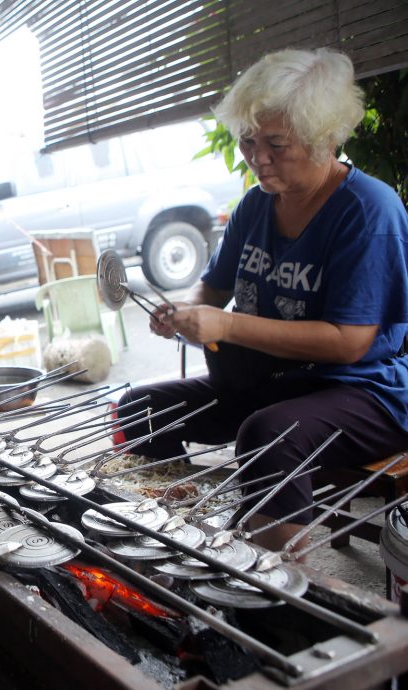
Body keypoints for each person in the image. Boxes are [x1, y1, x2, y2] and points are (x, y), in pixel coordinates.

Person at [116, 47, 408, 555]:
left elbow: (350, 343)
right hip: (270, 378)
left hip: (366, 391)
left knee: (269, 434)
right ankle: (174, 536)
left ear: (326, 139)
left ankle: (283, 589)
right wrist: (183, 311)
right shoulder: (256, 204)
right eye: (249, 141)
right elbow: (213, 289)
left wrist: (225, 328)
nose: (258, 158)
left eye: (276, 144)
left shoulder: (367, 210)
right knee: (140, 407)